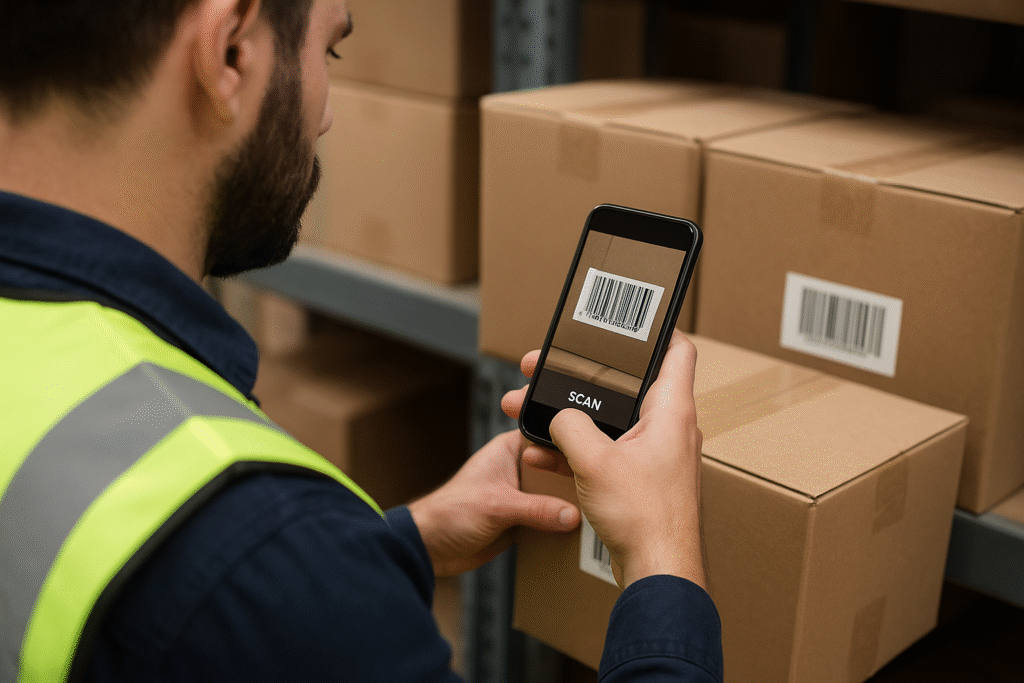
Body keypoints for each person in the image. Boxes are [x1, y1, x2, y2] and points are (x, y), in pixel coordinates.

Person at [0, 0, 723, 681]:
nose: (326, 113)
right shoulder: (263, 556)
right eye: (330, 49)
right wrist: (663, 556)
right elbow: (240, 584)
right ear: (230, 50)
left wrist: (393, 543)